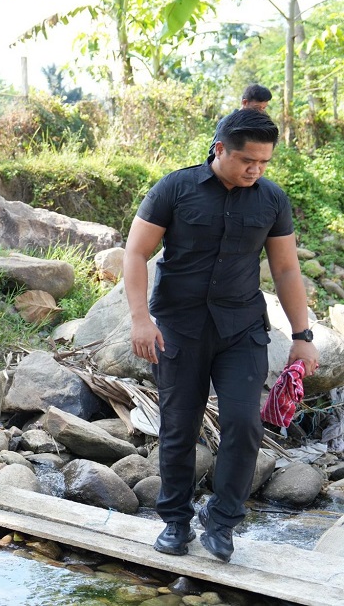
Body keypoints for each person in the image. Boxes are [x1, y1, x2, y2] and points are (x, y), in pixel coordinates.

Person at [124, 109, 318, 562]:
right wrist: (140, 319)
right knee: (179, 426)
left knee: (244, 423)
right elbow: (135, 252)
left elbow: (286, 269)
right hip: (178, 328)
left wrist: (303, 333)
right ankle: (175, 520)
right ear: (220, 150)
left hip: (241, 329)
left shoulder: (272, 199)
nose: (256, 170)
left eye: (264, 162)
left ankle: (223, 519)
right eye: (248, 160)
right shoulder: (175, 188)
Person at [208, 84, 273, 159]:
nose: (260, 112)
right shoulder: (228, 122)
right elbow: (213, 152)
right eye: (257, 108)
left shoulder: (261, 123)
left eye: (263, 108)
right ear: (245, 102)